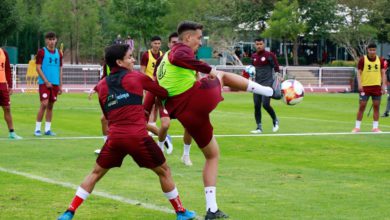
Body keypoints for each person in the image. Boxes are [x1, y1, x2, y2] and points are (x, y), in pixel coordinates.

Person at [155, 21, 281, 219]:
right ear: (187, 38)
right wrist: (209, 70)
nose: (200, 42)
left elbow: (160, 86)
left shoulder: (163, 61)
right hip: (195, 101)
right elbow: (180, 57)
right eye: (198, 38)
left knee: (212, 155)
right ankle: (271, 91)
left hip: (186, 115)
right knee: (221, 74)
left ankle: (212, 209)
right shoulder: (179, 50)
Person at [57, 44, 196, 220]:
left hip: (114, 139)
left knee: (95, 173)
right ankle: (181, 212)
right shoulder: (137, 77)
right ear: (119, 62)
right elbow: (163, 92)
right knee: (164, 171)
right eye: (130, 57)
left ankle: (69, 211)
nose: (133, 60)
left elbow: (108, 116)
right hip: (138, 138)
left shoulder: (100, 86)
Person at [145, 32, 195, 165]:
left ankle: (186, 155)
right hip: (165, 98)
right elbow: (156, 77)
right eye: (173, 42)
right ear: (168, 44)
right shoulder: (163, 58)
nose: (176, 45)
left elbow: (195, 74)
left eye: (178, 43)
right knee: (165, 124)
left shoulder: (187, 57)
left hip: (183, 98)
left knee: (189, 126)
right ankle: (160, 150)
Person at [140, 35, 173, 152]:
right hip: (149, 85)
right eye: (155, 43)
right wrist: (145, 85)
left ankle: (155, 129)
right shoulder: (146, 55)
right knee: (149, 107)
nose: (157, 45)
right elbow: (142, 71)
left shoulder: (163, 55)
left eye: (159, 43)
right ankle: (154, 128)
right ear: (151, 44)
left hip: (159, 85)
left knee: (156, 107)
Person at [352, 43, 387, 132]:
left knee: (376, 106)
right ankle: (357, 127)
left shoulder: (380, 60)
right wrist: (359, 84)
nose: (372, 52)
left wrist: (383, 85)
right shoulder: (362, 60)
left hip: (376, 87)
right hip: (365, 87)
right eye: (370, 50)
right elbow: (358, 73)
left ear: (376, 50)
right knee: (362, 106)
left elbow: (383, 73)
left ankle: (375, 127)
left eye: (374, 50)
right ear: (367, 50)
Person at [34, 32, 63, 136]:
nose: (51, 41)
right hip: (44, 83)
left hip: (55, 83)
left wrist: (60, 84)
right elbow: (38, 67)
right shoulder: (42, 52)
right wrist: (46, 81)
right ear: (46, 40)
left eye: (53, 39)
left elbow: (60, 69)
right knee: (44, 104)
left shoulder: (59, 53)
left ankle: (47, 130)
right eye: (49, 39)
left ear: (56, 40)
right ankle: (37, 129)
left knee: (50, 106)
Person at [250, 38, 281, 134]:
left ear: (264, 44)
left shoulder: (269, 55)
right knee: (256, 106)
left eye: (260, 44)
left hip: (267, 83)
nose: (259, 46)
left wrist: (278, 79)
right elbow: (252, 69)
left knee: (266, 104)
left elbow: (276, 68)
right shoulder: (253, 56)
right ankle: (259, 127)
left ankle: (275, 120)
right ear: (255, 45)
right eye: (257, 44)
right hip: (256, 84)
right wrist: (250, 75)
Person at [0, 48, 22, 139]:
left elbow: (7, 69)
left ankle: (12, 133)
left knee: (7, 108)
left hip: (3, 85)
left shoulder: (3, 52)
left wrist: (10, 85)